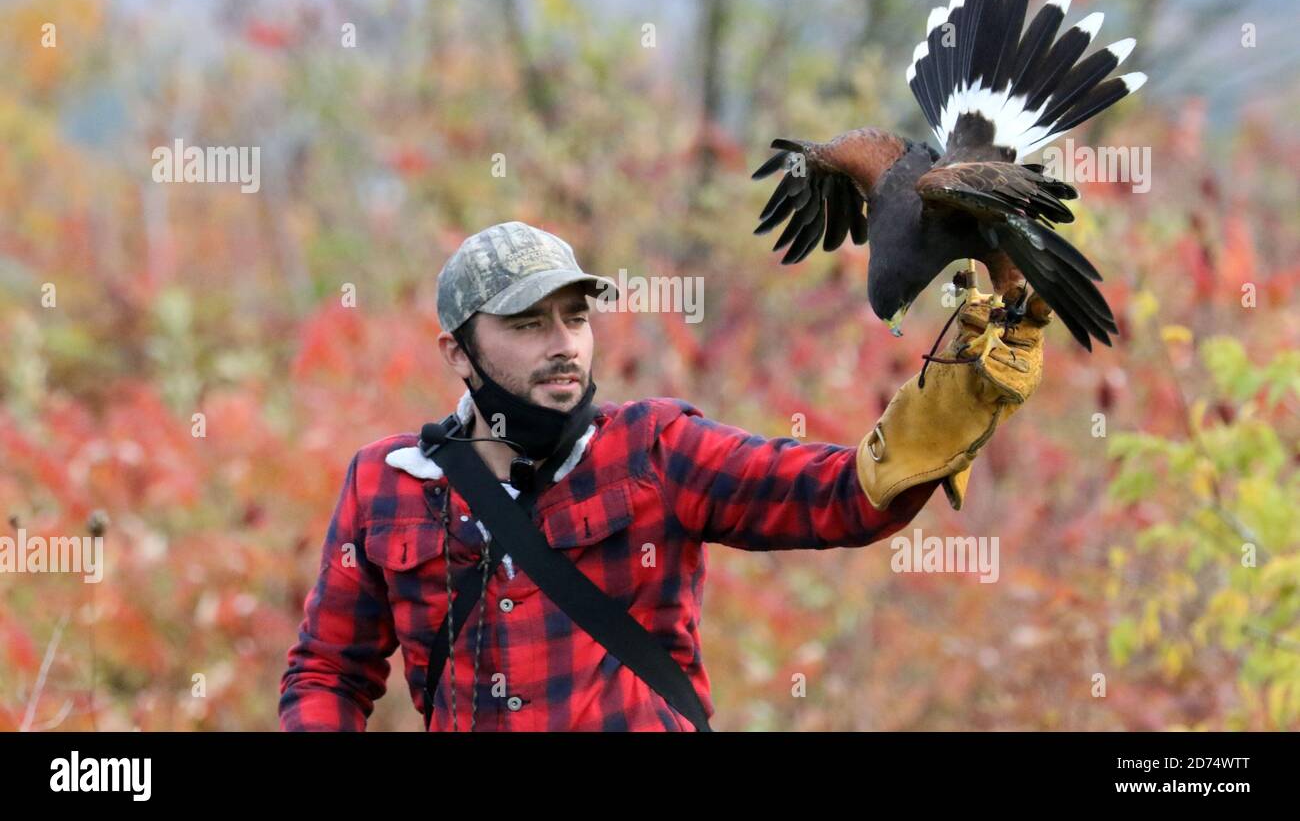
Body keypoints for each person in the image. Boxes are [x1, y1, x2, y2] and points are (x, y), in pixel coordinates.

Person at [278, 220, 1051, 731]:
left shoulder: (656, 449)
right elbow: (327, 671)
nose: (565, 346)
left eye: (575, 318)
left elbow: (835, 499)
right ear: (457, 353)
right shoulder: (390, 481)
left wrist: (940, 412)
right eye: (527, 325)